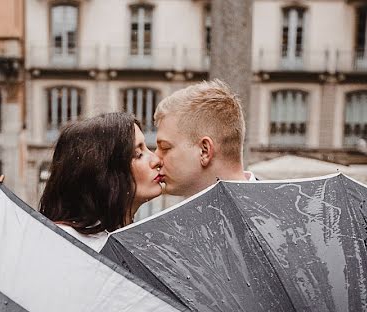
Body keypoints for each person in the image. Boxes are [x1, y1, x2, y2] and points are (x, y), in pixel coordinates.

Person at [39, 112, 164, 251]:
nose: (156, 160)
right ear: (103, 172)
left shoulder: (129, 241)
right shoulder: (66, 245)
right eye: (138, 154)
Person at [154, 79, 254, 198]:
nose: (156, 159)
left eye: (165, 147)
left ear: (204, 150)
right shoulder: (274, 209)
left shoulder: (279, 212)